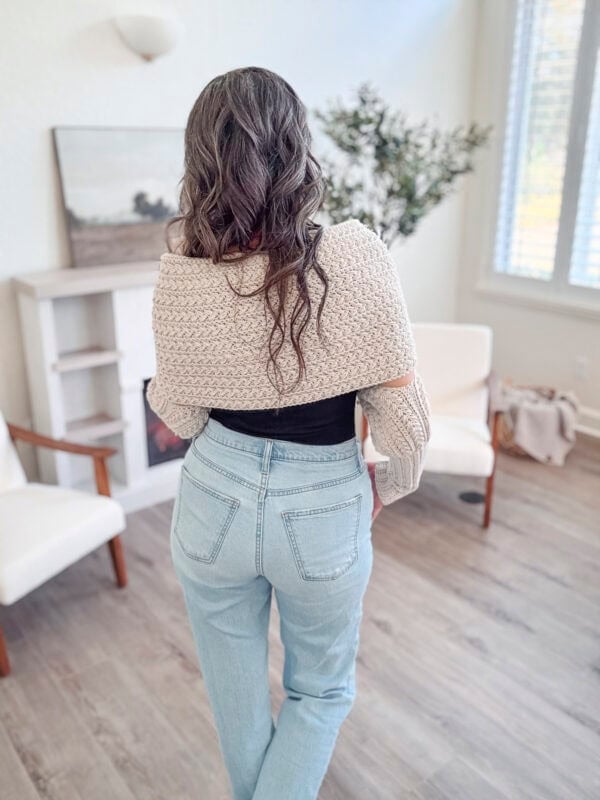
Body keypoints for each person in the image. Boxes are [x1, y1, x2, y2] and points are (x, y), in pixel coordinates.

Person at [147, 66, 431, 800]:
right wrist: (386, 488)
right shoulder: (356, 254)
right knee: (321, 692)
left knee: (236, 705)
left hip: (213, 500)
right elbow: (404, 422)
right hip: (323, 507)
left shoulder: (181, 267)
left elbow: (176, 417)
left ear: (202, 157)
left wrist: (181, 381)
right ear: (297, 148)